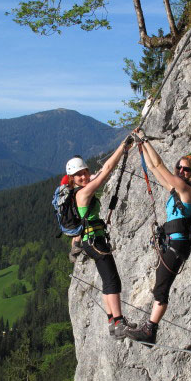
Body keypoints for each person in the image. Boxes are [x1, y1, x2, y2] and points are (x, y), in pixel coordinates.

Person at [125, 131, 191, 344]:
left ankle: (150, 330)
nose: (181, 171)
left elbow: (159, 166)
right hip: (172, 243)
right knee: (160, 283)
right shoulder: (175, 190)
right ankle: (150, 328)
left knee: (161, 287)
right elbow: (152, 167)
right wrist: (142, 148)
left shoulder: (186, 189)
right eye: (179, 167)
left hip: (177, 244)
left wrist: (146, 140)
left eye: (186, 169)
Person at [66, 139, 136, 339]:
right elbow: (106, 170)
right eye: (78, 175)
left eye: (84, 172)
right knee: (113, 282)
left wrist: (75, 245)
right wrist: (123, 146)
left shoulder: (75, 192)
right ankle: (119, 323)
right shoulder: (84, 192)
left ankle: (113, 323)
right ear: (72, 178)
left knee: (108, 281)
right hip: (95, 242)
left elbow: (99, 174)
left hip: (90, 242)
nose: (83, 176)